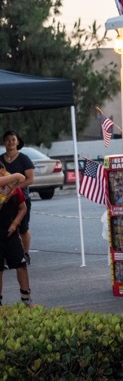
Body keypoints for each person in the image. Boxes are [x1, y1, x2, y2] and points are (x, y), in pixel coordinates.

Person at [1, 130, 34, 264]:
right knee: (5, 227)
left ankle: (25, 254)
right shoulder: (0, 159)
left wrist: (14, 189)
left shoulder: (24, 159)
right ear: (4, 142)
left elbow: (30, 179)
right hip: (3, 201)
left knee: (23, 228)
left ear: (18, 142)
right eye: (7, 139)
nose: (10, 142)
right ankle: (5, 256)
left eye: (13, 139)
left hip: (21, 198)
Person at [0, 169, 32, 305]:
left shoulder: (13, 189)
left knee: (21, 265)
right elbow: (19, 177)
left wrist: (15, 224)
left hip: (11, 233)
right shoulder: (11, 181)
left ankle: (26, 300)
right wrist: (16, 176)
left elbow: (22, 208)